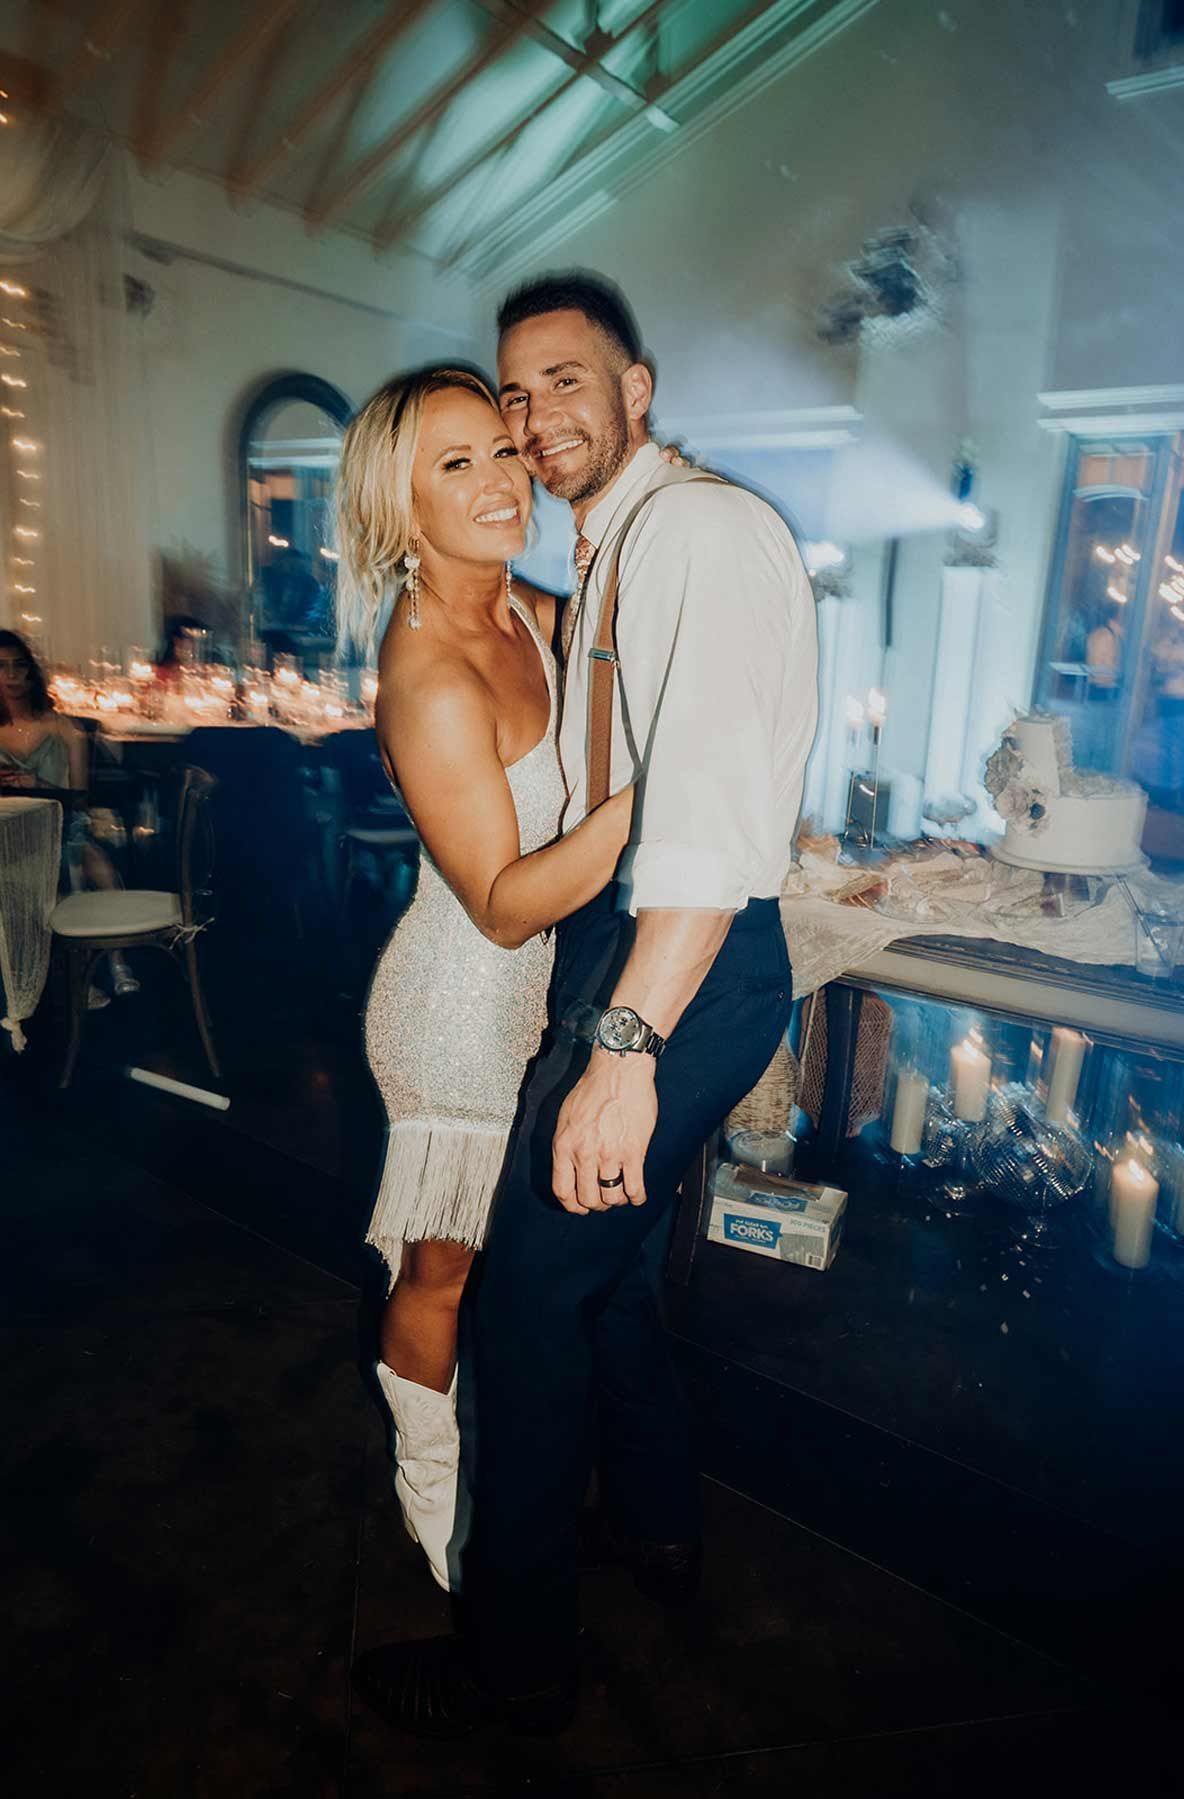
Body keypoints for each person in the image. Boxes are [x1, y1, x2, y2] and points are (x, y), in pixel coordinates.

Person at [353, 273, 819, 1736]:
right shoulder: (592, 564)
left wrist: (625, 1046)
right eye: (503, 412)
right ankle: (641, 1530)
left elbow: (711, 809)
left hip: (653, 977)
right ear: (406, 500)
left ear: (638, 389)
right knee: (566, 1280)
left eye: (557, 390)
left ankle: (514, 1664)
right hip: (509, 981)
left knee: (534, 1294)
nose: (525, 436)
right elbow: (532, 867)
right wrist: (647, 809)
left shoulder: (680, 538)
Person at [334, 365, 637, 1592]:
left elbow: (631, 644)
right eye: (453, 464)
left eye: (500, 449)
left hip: (539, 1003)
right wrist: (650, 806)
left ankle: (508, 1479)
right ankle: (431, 1497)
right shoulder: (428, 675)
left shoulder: (521, 610)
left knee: (517, 1267)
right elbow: (505, 909)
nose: (500, 478)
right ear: (400, 508)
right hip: (458, 1006)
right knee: (441, 1268)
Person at [0, 629, 137, 1004]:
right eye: (2, 667)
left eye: (19, 666)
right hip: (9, 832)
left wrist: (39, 783)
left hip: (60, 823)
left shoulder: (63, 728)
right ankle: (45, 978)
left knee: (83, 860)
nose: (11, 676)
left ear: (31, 672)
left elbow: (79, 797)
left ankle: (113, 963)